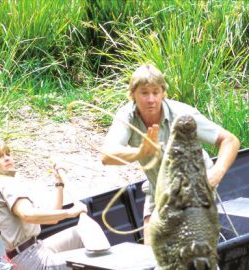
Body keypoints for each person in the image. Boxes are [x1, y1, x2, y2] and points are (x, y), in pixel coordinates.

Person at [101, 64, 240, 244]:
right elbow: (107, 156)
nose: (151, 99)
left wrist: (215, 174)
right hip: (157, 189)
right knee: (150, 253)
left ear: (163, 93)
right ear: (133, 94)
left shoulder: (183, 115)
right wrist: (140, 152)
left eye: (156, 92)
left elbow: (230, 140)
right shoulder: (126, 116)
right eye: (144, 93)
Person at [0, 141, 87, 270]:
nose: (7, 158)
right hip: (31, 266)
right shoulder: (4, 183)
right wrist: (70, 212)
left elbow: (54, 217)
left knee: (82, 233)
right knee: (97, 262)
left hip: (29, 256)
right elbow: (27, 214)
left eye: (8, 154)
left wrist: (59, 184)